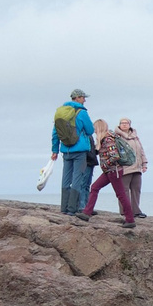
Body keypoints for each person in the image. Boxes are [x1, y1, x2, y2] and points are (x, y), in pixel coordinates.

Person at [82, 122, 139, 228]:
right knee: (94, 187)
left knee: (121, 194)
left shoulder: (108, 139)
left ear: (99, 128)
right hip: (109, 171)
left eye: (95, 128)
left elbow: (115, 156)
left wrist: (105, 164)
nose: (93, 130)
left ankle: (130, 219)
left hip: (113, 171)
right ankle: (86, 213)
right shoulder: (104, 139)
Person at [49, 89, 95, 217]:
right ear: (78, 98)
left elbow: (55, 133)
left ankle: (63, 207)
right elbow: (90, 130)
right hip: (80, 150)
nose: (84, 100)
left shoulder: (60, 113)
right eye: (83, 98)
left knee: (65, 178)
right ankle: (72, 209)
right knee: (77, 178)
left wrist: (54, 150)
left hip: (66, 150)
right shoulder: (81, 112)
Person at [115, 117, 149, 212]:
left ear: (130, 125)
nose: (124, 124)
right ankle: (125, 211)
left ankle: (136, 211)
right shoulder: (116, 137)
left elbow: (141, 150)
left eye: (126, 123)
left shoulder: (135, 137)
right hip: (124, 168)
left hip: (137, 168)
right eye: (122, 123)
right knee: (124, 191)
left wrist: (144, 163)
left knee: (136, 190)